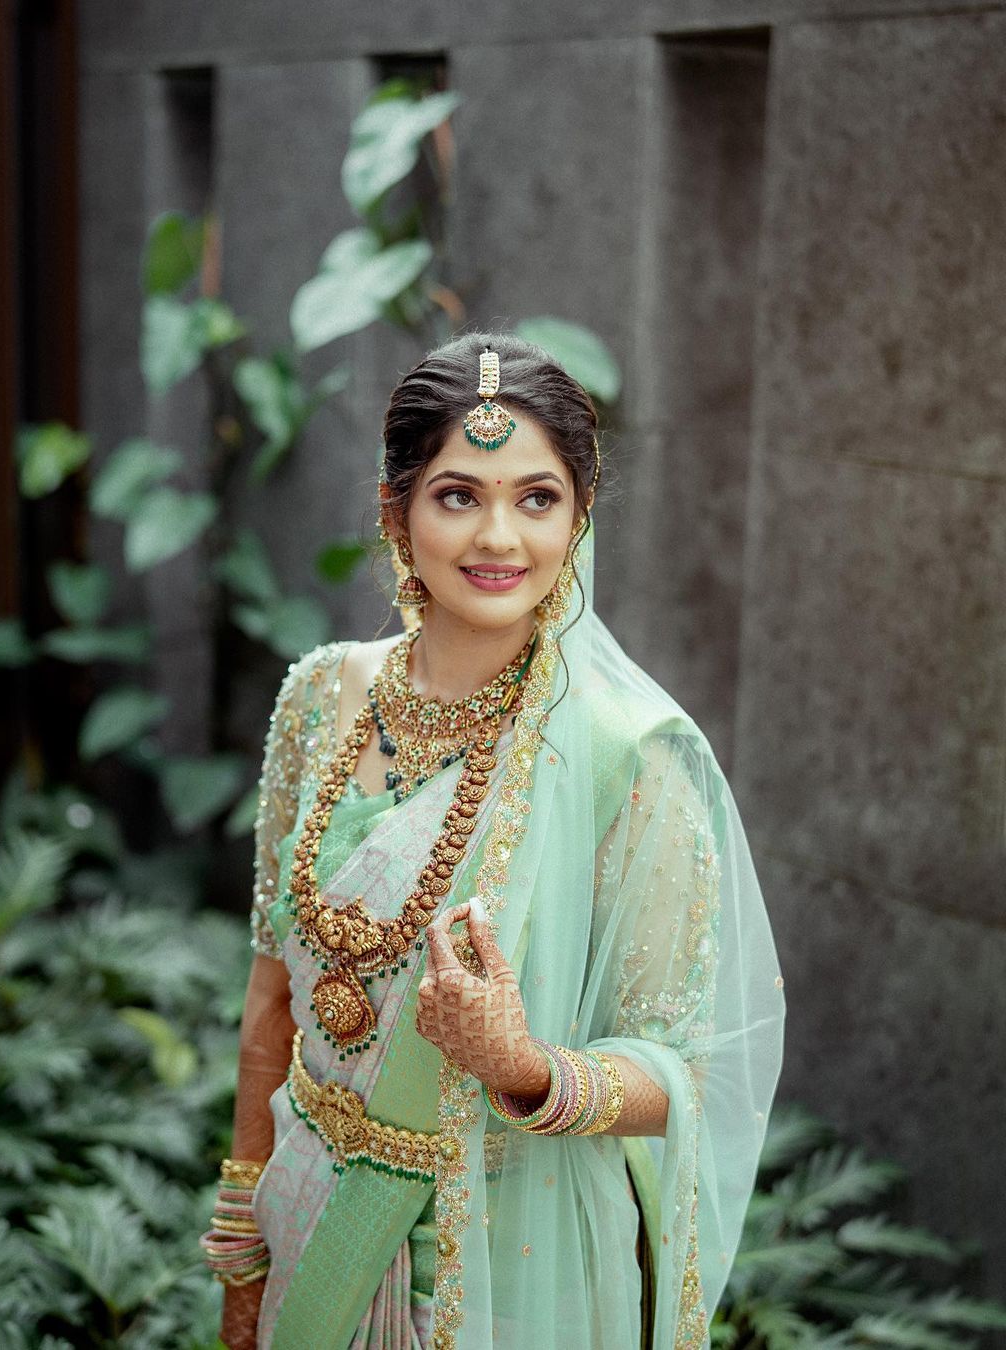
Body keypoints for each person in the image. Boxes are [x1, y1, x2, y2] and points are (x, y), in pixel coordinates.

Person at [201, 333, 786, 1350]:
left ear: (580, 519)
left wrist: (522, 1066)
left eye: (538, 497)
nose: (499, 536)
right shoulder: (317, 698)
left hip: (502, 1265)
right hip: (304, 1215)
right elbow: (269, 994)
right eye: (459, 494)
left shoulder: (625, 762)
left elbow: (703, 1076)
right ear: (397, 511)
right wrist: (242, 1240)